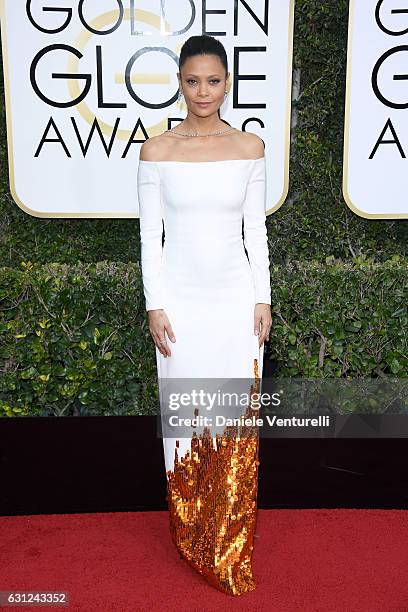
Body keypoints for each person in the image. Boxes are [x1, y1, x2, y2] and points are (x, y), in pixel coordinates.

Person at [137, 34, 272, 596]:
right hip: (182, 308)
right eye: (192, 81)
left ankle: (231, 541)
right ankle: (193, 534)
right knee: (187, 421)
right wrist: (154, 304)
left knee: (236, 422)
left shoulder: (250, 147)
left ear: (227, 84)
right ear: (179, 83)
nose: (203, 92)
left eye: (213, 81)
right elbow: (149, 238)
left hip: (235, 303)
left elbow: (256, 232)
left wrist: (263, 298)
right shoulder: (157, 151)